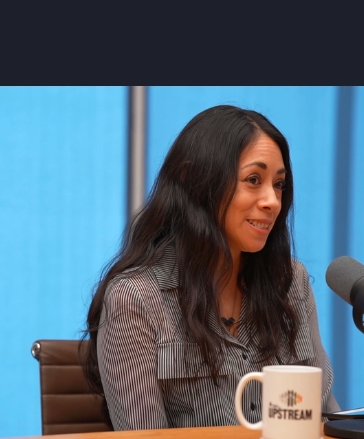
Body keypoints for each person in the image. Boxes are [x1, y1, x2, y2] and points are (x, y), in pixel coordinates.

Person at [85, 105, 338, 429]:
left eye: (278, 184)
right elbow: (144, 436)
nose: (272, 201)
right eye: (253, 179)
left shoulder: (290, 282)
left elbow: (324, 414)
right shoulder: (136, 298)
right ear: (195, 180)